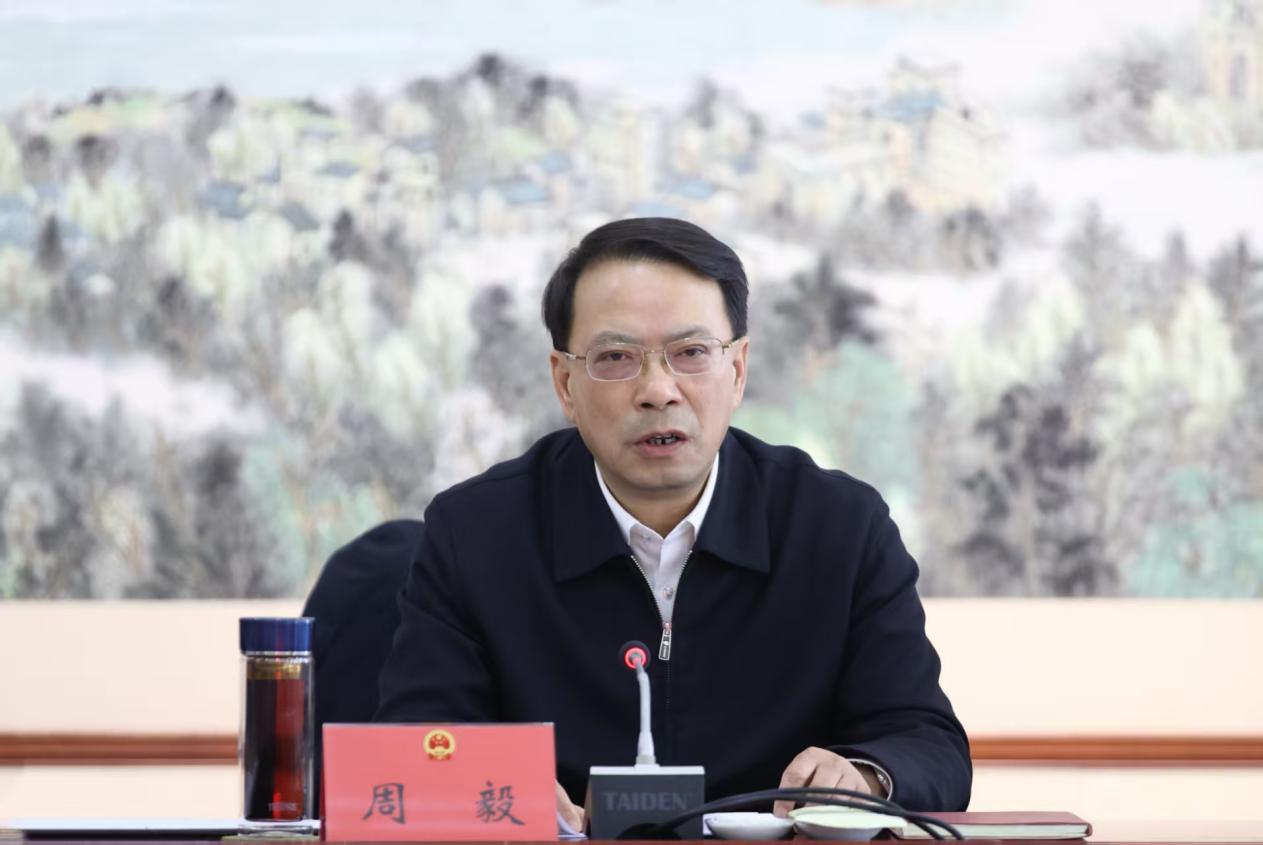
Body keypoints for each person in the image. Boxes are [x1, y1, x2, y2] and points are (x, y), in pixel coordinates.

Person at [375, 218, 971, 829]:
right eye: (616, 358)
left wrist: (865, 776)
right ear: (565, 383)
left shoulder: (839, 528)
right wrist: (487, 785)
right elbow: (417, 744)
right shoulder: (476, 535)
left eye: (691, 354)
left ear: (738, 370)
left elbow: (926, 743)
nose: (658, 390)